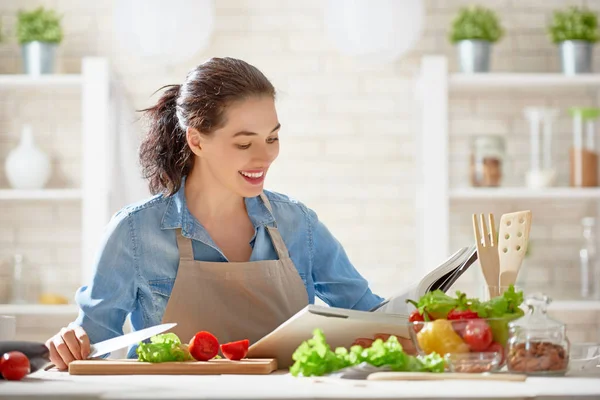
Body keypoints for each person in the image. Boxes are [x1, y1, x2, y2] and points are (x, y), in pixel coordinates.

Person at [46, 57, 413, 370]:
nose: (265, 157)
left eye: (272, 138)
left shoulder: (298, 224)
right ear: (197, 140)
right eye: (244, 143)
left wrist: (427, 314)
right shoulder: (134, 232)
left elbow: (371, 316)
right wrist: (72, 344)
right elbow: (90, 348)